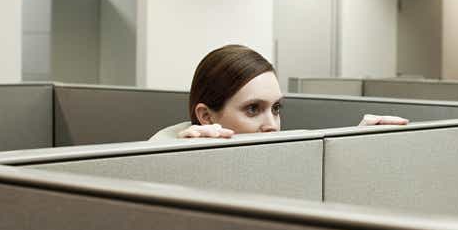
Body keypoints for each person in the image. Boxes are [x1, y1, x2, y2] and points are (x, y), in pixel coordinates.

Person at [149, 44, 408, 140]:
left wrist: (353, 144)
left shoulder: (279, 161)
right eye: (253, 109)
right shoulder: (160, 161)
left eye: (276, 108)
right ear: (206, 117)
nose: (272, 125)